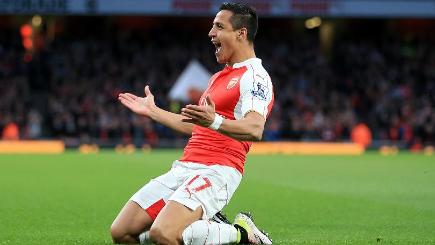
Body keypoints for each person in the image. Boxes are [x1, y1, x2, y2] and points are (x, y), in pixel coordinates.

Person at [113, 2, 274, 245]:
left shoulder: (255, 76)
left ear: (241, 33)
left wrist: (215, 120)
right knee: (122, 232)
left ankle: (241, 233)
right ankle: (210, 226)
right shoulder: (218, 77)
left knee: (163, 234)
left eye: (219, 27)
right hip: (185, 167)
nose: (211, 33)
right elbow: (197, 126)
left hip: (219, 170)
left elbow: (255, 128)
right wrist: (153, 111)